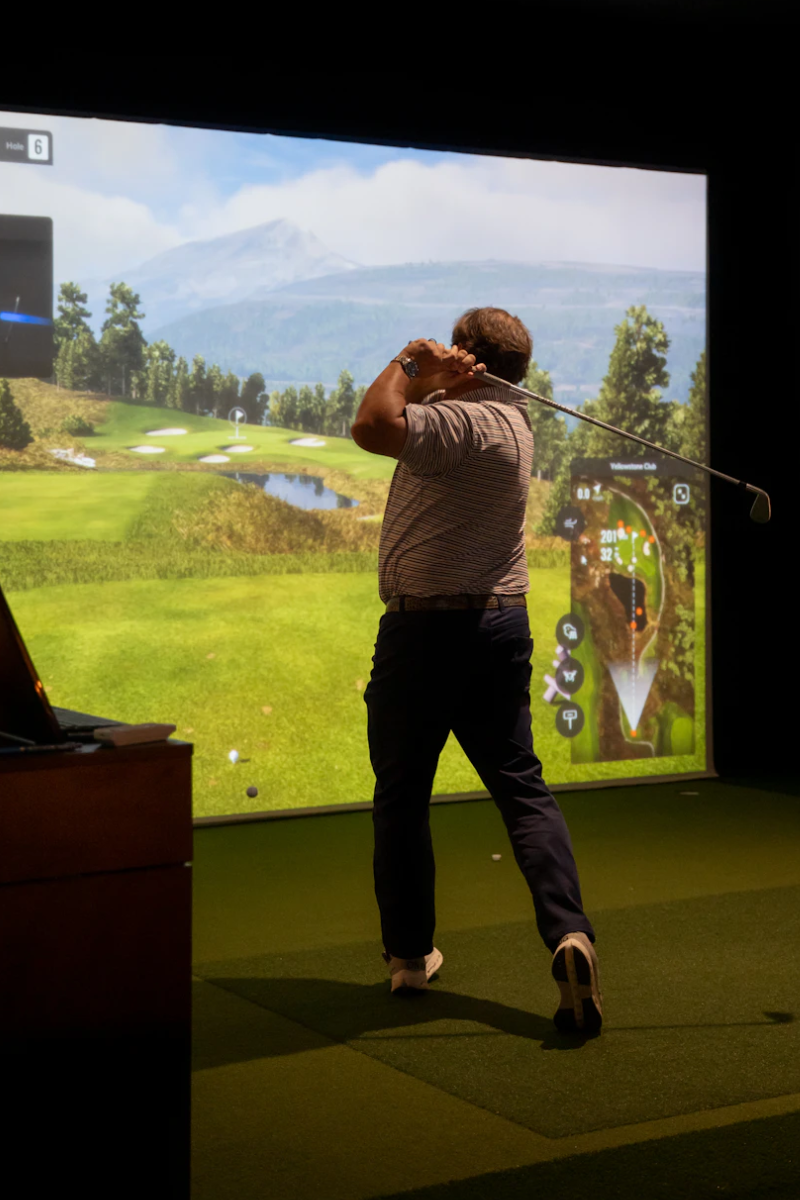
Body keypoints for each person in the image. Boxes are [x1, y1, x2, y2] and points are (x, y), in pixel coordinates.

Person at [351, 307, 602, 1034]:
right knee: (520, 786)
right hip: (501, 625)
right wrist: (441, 379)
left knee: (401, 795)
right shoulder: (514, 424)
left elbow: (371, 424)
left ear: (470, 357)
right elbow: (420, 415)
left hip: (426, 631)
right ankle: (569, 934)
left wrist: (408, 362)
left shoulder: (459, 428)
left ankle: (407, 957)